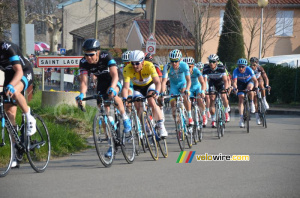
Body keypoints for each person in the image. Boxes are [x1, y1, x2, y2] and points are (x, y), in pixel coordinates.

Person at [75, 39, 131, 157]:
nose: (88, 57)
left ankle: (125, 118)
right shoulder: (83, 62)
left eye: (91, 55)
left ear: (98, 52)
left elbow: (115, 74)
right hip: (102, 82)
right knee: (103, 110)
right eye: (86, 54)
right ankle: (112, 144)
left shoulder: (106, 56)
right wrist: (81, 94)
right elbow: (84, 82)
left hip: (114, 79)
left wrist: (112, 87)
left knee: (112, 94)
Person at [0, 41, 36, 168]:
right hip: (10, 75)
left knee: (14, 91)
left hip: (24, 70)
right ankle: (16, 154)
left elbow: (19, 71)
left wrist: (10, 85)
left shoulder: (7, 47)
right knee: (9, 115)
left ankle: (29, 116)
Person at [122, 50, 167, 138]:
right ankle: (146, 127)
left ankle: (161, 125)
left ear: (142, 61)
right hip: (137, 88)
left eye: (137, 63)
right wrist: (124, 98)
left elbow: (158, 82)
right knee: (138, 107)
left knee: (151, 100)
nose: (134, 66)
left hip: (149, 85)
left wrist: (157, 92)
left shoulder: (149, 65)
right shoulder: (127, 69)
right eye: (132, 63)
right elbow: (125, 87)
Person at [161, 49, 194, 126]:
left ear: (180, 60)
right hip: (174, 86)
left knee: (184, 95)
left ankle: (189, 117)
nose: (174, 63)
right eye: (172, 61)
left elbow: (188, 80)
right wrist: (162, 93)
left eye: (176, 61)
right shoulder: (167, 67)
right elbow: (164, 82)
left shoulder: (184, 65)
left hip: (183, 84)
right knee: (172, 103)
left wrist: (187, 89)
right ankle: (179, 125)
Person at [203, 54, 230, 128]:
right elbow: (205, 81)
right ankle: (213, 119)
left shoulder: (221, 68)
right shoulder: (206, 68)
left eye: (213, 62)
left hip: (220, 82)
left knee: (223, 96)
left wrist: (226, 88)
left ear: (217, 62)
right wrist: (204, 90)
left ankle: (226, 112)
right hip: (212, 83)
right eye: (210, 61)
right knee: (212, 98)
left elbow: (225, 80)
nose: (211, 63)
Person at [232, 58, 259, 128]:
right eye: (239, 66)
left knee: (250, 88)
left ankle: (251, 102)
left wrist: (256, 87)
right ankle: (241, 119)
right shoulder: (235, 71)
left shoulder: (249, 69)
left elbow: (255, 81)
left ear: (246, 66)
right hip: (240, 83)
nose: (241, 68)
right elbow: (234, 82)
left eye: (242, 66)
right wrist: (235, 88)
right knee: (241, 98)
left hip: (249, 81)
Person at [183, 57, 207, 127]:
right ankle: (190, 117)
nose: (188, 68)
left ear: (193, 66)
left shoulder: (196, 70)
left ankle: (203, 115)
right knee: (187, 100)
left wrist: (202, 91)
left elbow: (203, 83)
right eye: (186, 67)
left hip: (197, 87)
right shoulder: (183, 72)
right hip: (189, 89)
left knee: (199, 99)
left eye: (189, 67)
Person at [249, 57, 271, 124]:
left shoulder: (260, 68)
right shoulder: (248, 69)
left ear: (257, 64)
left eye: (254, 64)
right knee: (255, 100)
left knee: (262, 86)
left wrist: (267, 85)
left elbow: (266, 78)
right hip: (252, 81)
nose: (253, 66)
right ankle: (257, 117)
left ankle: (264, 100)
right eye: (252, 64)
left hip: (259, 79)